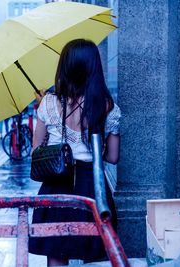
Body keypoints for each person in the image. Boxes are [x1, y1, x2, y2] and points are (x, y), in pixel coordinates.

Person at [29, 39, 121, 266]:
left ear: (65, 66)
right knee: (94, 251)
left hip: (55, 185)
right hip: (92, 187)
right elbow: (112, 157)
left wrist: (46, 112)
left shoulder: (48, 103)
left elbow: (35, 151)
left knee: (57, 252)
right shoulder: (107, 106)